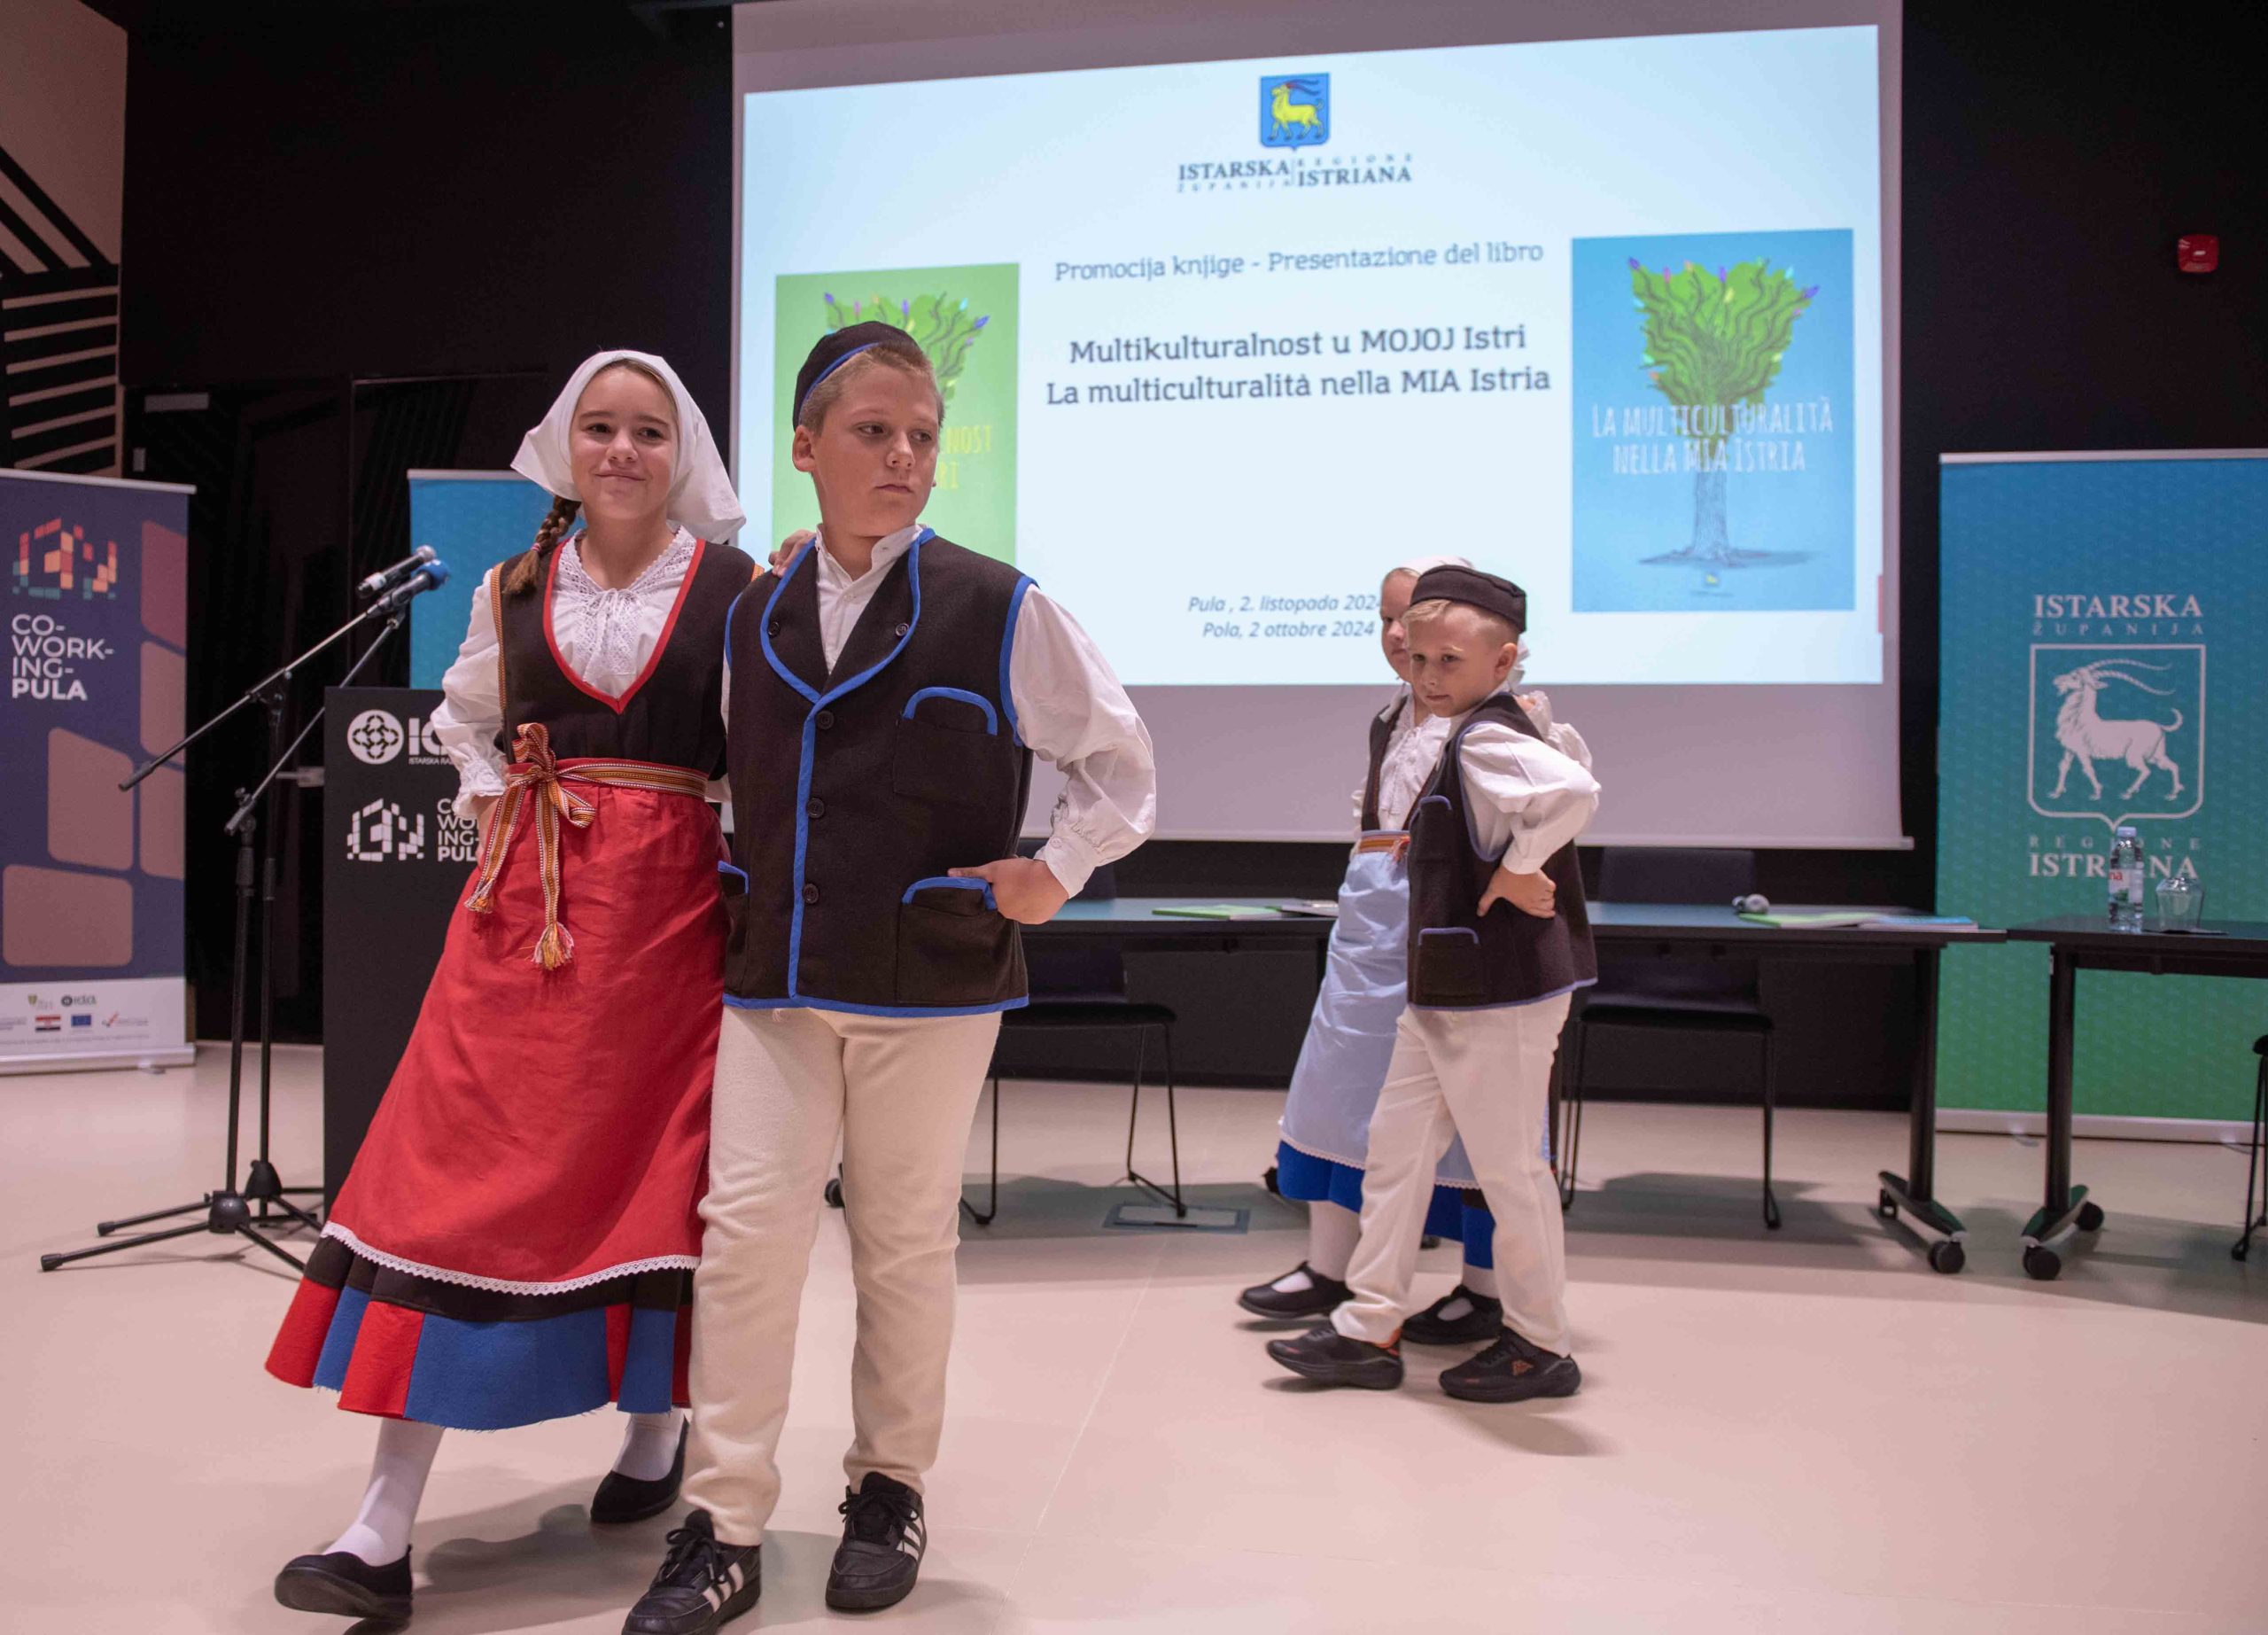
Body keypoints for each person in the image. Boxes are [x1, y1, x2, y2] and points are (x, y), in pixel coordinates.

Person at [623, 321, 1156, 1634]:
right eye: (874, 432)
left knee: (904, 1240)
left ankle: (888, 1487)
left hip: (932, 979)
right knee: (746, 1238)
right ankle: (723, 1517)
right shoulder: (751, 611)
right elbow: (733, 780)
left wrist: (1057, 870)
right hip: (777, 978)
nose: (904, 456)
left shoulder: (1000, 604)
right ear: (806, 447)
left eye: (922, 435)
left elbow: (1121, 765)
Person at [263, 351, 755, 1623]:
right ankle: (381, 1523)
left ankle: (655, 1433)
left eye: (649, 431)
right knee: (447, 1182)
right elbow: (463, 718)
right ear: (563, 446)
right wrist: (500, 799)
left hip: (669, 928)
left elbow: (756, 754)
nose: (623, 451)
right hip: (520, 914)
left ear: (683, 454)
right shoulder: (511, 585)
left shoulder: (735, 588)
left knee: (657, 1182)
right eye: (601, 428)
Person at [1266, 565, 1598, 1403]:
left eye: (1449, 660)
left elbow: (1573, 791)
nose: (1428, 676)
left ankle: (1541, 1342)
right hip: (1442, 985)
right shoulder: (1437, 731)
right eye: (1419, 660)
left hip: (1500, 991)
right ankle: (1369, 1321)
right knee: (1396, 1147)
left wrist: (1520, 866)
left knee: (1507, 1166)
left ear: (1503, 661)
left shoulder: (1487, 735)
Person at [1238, 555, 1512, 1347]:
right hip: (1370, 941)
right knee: (1338, 1095)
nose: (1399, 636)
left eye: (1415, 620)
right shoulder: (1390, 718)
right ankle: (1331, 1266)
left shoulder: (1500, 722)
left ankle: (1484, 1290)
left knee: (1468, 1122)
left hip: (1449, 941)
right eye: (1388, 620)